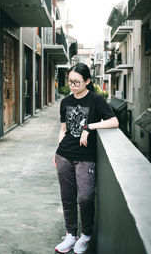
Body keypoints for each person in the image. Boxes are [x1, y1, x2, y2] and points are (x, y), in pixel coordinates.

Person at [54, 63, 119, 254]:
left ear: (87, 81)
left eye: (77, 82)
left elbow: (114, 121)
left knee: (85, 198)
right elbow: (63, 129)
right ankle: (70, 235)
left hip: (85, 158)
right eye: (70, 82)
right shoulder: (65, 102)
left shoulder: (96, 99)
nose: (73, 86)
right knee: (67, 198)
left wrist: (89, 127)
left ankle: (86, 235)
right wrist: (57, 152)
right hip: (64, 155)